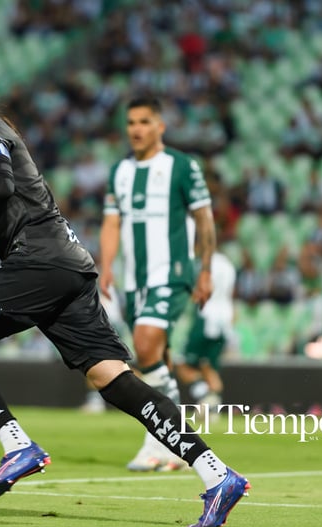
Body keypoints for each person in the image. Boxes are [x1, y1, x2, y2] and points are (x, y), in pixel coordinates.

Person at [0, 51, 249, 527]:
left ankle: (17, 445)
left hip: (39, 258)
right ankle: (218, 475)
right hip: (66, 268)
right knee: (113, 380)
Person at [98, 96, 217, 472]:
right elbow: (112, 222)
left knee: (146, 346)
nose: (136, 129)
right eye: (131, 122)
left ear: (160, 126)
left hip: (172, 272)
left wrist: (206, 269)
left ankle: (158, 441)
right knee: (156, 359)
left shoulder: (182, 166)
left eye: (145, 122)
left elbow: (204, 218)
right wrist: (106, 266)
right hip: (134, 280)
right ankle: (176, 443)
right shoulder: (119, 170)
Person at [174, 251, 238, 420]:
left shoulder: (201, 264)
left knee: (182, 363)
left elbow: (192, 289)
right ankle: (212, 405)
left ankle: (205, 397)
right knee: (209, 367)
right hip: (224, 319)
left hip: (206, 316)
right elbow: (231, 294)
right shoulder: (228, 264)